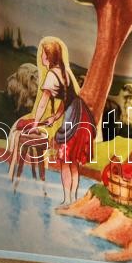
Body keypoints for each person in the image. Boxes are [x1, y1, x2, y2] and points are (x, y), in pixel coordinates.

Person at [15, 37, 96, 205]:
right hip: (81, 115)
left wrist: (35, 124)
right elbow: (68, 99)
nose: (41, 57)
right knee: (73, 162)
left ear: (49, 57)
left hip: (73, 118)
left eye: (43, 54)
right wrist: (55, 117)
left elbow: (43, 102)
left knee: (65, 162)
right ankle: (72, 200)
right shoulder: (63, 71)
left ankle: (67, 201)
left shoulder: (52, 75)